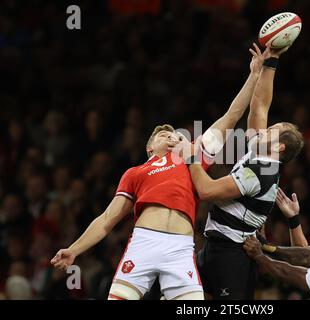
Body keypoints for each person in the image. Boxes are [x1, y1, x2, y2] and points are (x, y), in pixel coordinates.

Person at [50, 44, 268, 300]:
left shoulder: (193, 157)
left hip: (180, 248)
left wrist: (253, 76)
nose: (172, 137)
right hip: (143, 243)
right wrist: (74, 250)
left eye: (175, 134)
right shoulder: (135, 173)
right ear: (149, 148)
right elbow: (107, 219)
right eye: (164, 135)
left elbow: (230, 117)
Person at [182, 44, 304, 300]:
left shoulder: (260, 172)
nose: (266, 127)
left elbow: (206, 190)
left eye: (272, 129)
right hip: (216, 246)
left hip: (232, 254)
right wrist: (270, 63)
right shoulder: (260, 152)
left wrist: (190, 154)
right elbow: (260, 105)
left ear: (279, 147)